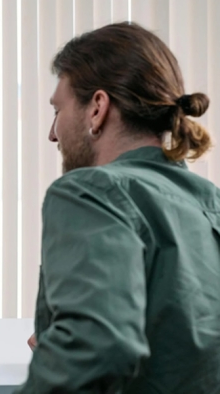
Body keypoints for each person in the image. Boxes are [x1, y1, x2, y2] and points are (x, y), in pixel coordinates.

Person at [17, 22, 220, 393]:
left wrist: (74, 343)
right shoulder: (208, 200)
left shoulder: (90, 191)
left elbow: (97, 348)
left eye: (57, 110)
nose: (52, 133)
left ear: (97, 108)